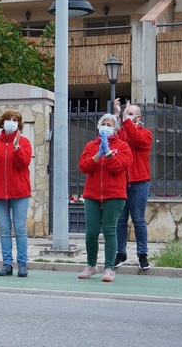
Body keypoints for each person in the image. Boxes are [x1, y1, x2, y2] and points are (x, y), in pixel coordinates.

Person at [77, 113, 132, 282]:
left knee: (109, 230)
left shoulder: (123, 146)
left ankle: (109, 268)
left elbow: (120, 166)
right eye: (104, 124)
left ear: (115, 129)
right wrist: (97, 155)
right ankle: (91, 265)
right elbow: (83, 166)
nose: (106, 127)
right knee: (91, 232)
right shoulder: (91, 145)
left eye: (110, 125)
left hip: (114, 194)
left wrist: (108, 153)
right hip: (92, 194)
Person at [0, 110, 33, 277]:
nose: (12, 122)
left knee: (20, 229)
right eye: (9, 119)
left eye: (15, 120)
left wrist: (17, 147)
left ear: (19, 124)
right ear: (2, 123)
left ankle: (22, 264)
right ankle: (7, 264)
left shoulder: (24, 142)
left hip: (19, 193)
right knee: (4, 230)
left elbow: (23, 163)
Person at [113, 99, 153, 270]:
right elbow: (114, 138)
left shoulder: (146, 133)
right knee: (120, 221)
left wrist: (125, 120)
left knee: (138, 219)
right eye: (127, 113)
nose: (127, 117)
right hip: (122, 183)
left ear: (138, 117)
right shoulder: (123, 131)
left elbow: (136, 139)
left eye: (130, 113)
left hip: (139, 183)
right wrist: (117, 115)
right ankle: (120, 253)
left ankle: (142, 255)